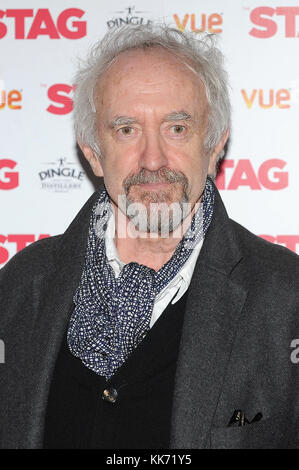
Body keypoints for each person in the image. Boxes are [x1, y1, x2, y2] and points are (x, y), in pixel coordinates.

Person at [1, 23, 299, 450]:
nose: (153, 159)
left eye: (177, 128)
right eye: (127, 130)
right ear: (92, 153)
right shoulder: (21, 286)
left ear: (215, 145)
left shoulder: (286, 297)